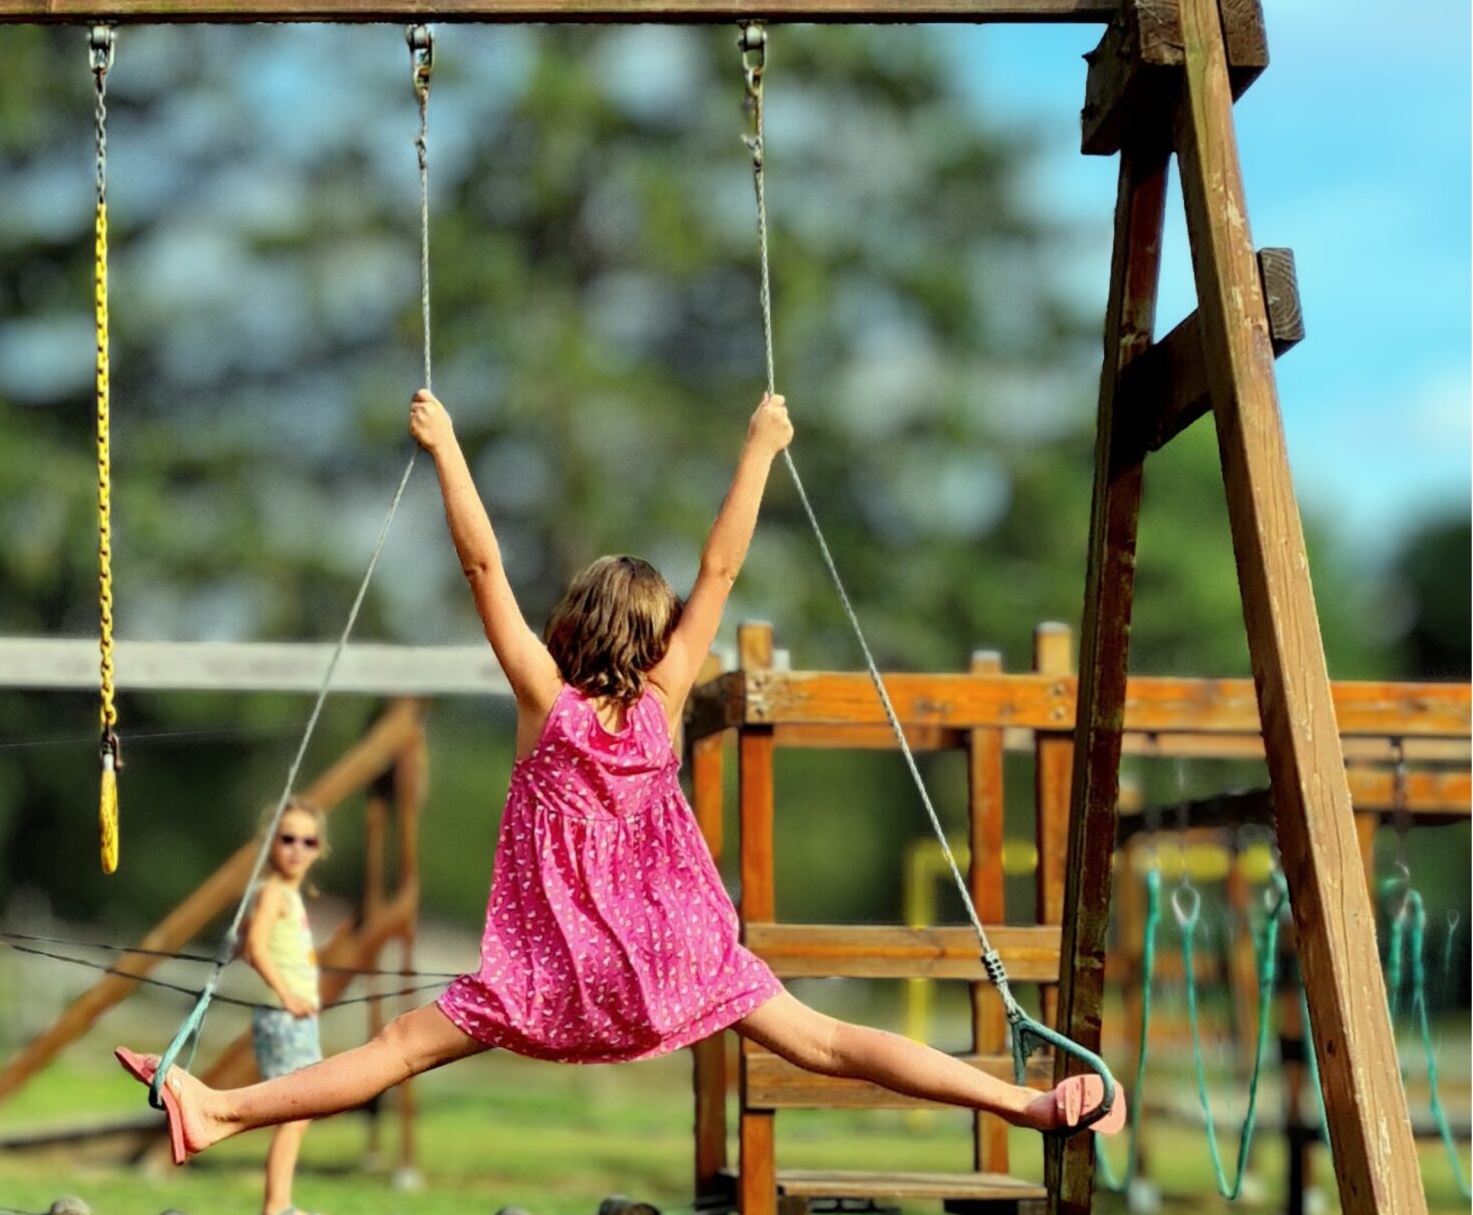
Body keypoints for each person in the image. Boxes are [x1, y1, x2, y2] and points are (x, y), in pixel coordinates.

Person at [122, 389, 1123, 1164]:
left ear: (568, 626)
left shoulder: (539, 702)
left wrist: (445, 449)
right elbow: (722, 566)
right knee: (824, 1039)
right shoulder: (666, 697)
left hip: (548, 976)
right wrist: (762, 448)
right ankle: (1022, 1101)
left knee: (392, 1051)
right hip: (673, 963)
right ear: (650, 636)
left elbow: (479, 568)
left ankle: (219, 1110)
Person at [243, 800, 334, 1215]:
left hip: (297, 1019)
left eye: (308, 841)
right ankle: (276, 1209)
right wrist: (288, 995)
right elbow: (255, 948)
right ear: (271, 844)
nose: (297, 849)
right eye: (287, 839)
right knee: (294, 1116)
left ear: (320, 849)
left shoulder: (291, 895)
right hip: (283, 1019)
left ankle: (280, 1205)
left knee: (299, 1116)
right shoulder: (272, 893)